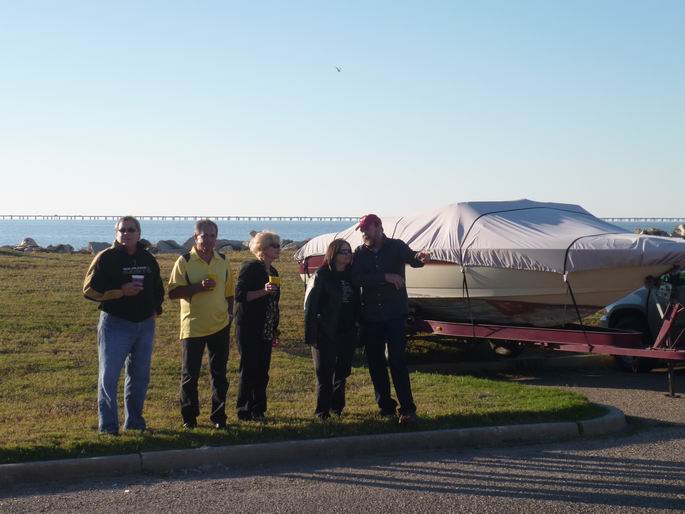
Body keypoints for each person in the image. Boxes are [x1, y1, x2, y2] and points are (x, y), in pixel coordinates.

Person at [83, 216, 164, 434]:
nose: (126, 234)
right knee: (109, 377)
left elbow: (157, 287)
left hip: (145, 325)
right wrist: (120, 292)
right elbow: (89, 290)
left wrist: (155, 309)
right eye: (122, 230)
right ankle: (108, 427)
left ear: (139, 233)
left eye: (130, 230)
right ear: (116, 233)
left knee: (140, 376)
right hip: (115, 324)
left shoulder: (147, 258)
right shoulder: (106, 258)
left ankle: (135, 423)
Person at [351, 214, 430, 425]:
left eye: (367, 229)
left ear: (378, 227)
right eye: (362, 230)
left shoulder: (396, 246)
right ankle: (386, 408)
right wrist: (385, 277)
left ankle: (408, 409)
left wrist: (421, 257)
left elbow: (414, 259)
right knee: (375, 363)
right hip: (371, 316)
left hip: (395, 314)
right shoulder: (359, 253)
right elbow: (356, 279)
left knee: (397, 361)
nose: (364, 233)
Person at [168, 219, 235, 430]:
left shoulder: (223, 260)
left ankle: (219, 416)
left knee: (219, 374)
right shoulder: (185, 261)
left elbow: (230, 292)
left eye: (212, 236)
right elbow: (173, 292)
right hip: (193, 326)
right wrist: (198, 287)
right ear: (195, 237)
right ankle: (189, 418)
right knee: (190, 375)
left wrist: (230, 313)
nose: (209, 240)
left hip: (220, 325)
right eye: (204, 236)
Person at [304, 239, 360, 419]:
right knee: (324, 373)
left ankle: (337, 407)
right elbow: (310, 305)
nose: (348, 254)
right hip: (326, 331)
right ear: (333, 254)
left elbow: (357, 303)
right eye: (343, 251)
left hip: (347, 330)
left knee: (342, 372)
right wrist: (311, 334)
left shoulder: (351, 275)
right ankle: (322, 411)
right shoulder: (322, 275)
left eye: (349, 251)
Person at [234, 231, 281, 421]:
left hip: (267, 326)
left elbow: (274, 303)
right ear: (262, 248)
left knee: (263, 370)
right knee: (249, 369)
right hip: (249, 326)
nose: (278, 249)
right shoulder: (251, 267)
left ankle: (259, 409)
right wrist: (263, 291)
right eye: (274, 246)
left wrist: (275, 329)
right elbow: (239, 295)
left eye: (278, 245)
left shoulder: (274, 272)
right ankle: (243, 410)